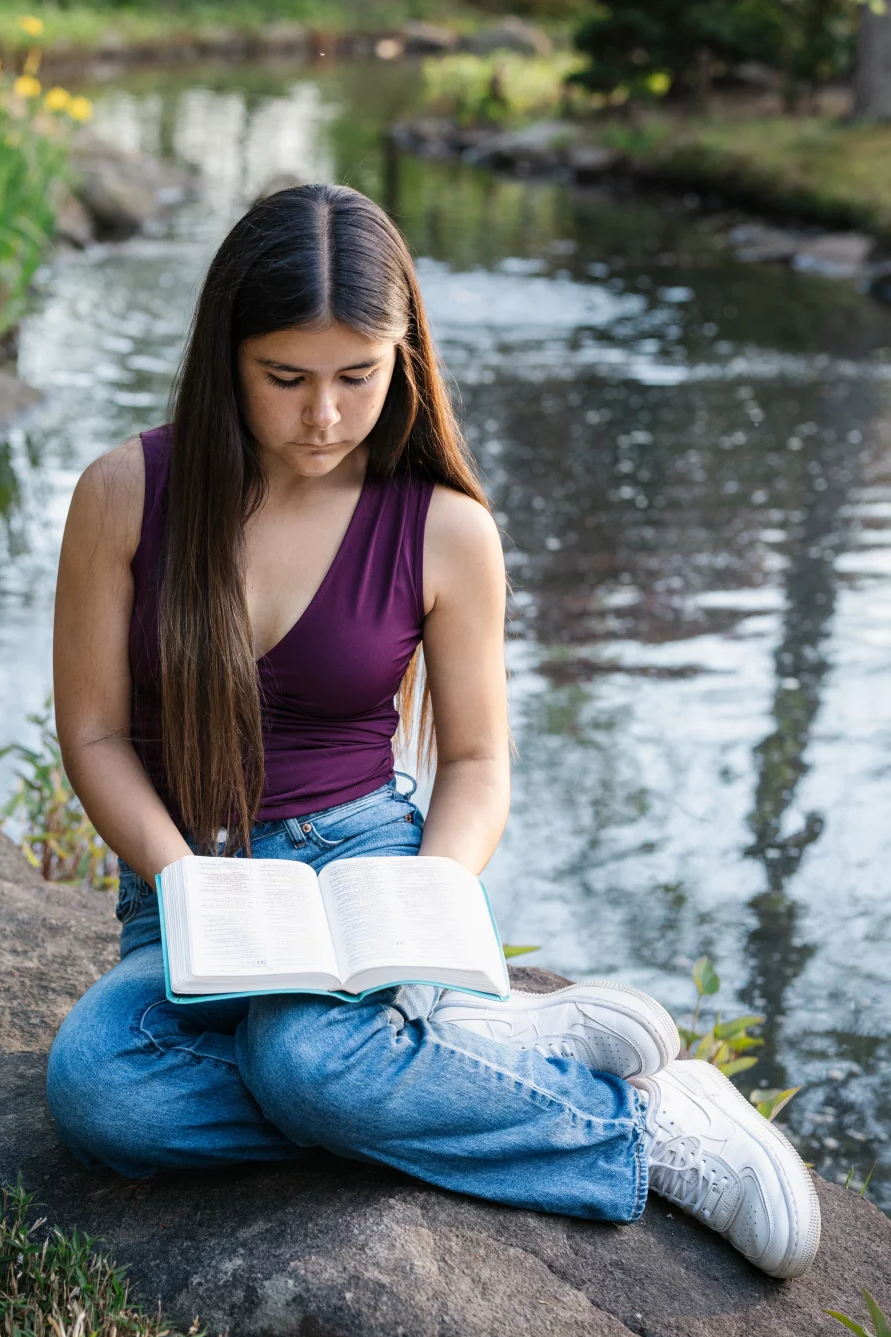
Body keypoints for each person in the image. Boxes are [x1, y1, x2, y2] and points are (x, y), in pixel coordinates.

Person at [47, 183, 820, 1281]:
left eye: (357, 377)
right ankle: (480, 1058)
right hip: (192, 876)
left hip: (365, 863)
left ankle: (643, 1131)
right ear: (227, 357)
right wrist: (186, 884)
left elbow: (474, 760)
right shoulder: (124, 493)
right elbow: (94, 733)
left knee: (306, 1058)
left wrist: (430, 892)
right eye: (286, 378)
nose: (323, 414)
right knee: (102, 1091)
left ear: (403, 355)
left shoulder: (445, 528)